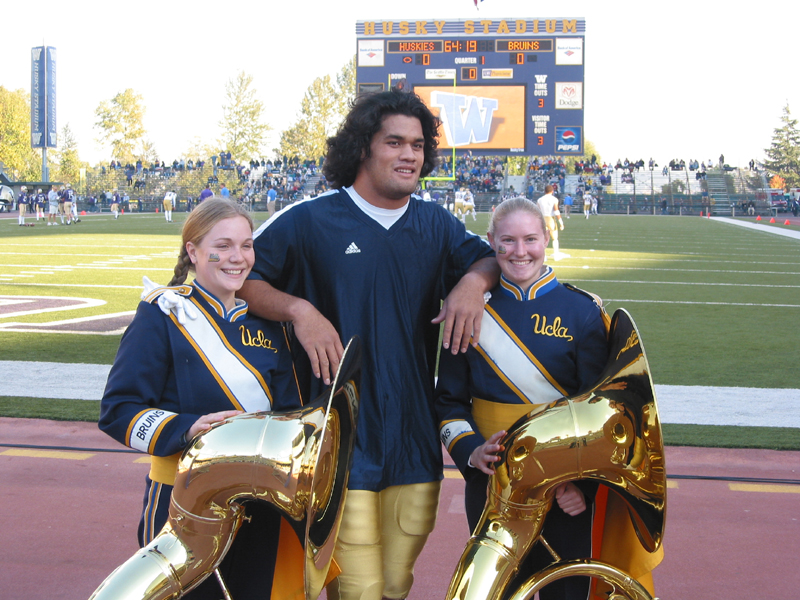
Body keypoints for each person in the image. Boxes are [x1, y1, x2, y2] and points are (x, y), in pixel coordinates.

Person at [238, 89, 498, 600]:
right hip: (341, 437)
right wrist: (299, 309)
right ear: (363, 148)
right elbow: (244, 278)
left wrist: (473, 283)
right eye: (395, 142)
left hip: (414, 438)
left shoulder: (436, 223)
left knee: (396, 584)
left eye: (418, 146)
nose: (408, 155)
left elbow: (487, 259)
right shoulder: (309, 219)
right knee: (357, 588)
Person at [435, 198, 660, 599]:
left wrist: (580, 486)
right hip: (491, 485)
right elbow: (448, 403)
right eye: (507, 240)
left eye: (530, 239)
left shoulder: (582, 312)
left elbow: (600, 415)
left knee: (566, 593)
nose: (519, 252)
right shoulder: (466, 310)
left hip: (565, 490)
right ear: (491, 242)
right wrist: (471, 452)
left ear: (545, 239)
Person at [99, 198, 303, 600]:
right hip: (182, 502)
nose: (237, 257)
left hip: (258, 506)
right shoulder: (163, 314)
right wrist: (185, 428)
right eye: (223, 245)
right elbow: (118, 411)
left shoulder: (269, 326)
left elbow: (290, 415)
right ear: (192, 251)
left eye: (246, 245)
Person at [536, 184, 565, 260]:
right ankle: (556, 255)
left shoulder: (540, 200)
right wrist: (561, 222)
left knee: (542, 238)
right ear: (552, 191)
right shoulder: (554, 199)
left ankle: (544, 257)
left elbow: (537, 211)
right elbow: (556, 211)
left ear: (544, 191)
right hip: (550, 219)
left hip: (542, 219)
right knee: (555, 238)